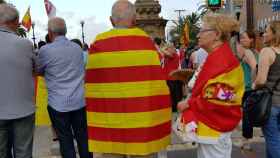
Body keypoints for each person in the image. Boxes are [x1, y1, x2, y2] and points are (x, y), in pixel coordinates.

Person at [86, 1, 171, 157]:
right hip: (141, 121)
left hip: (110, 122)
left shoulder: (99, 43)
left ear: (111, 20)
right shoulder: (147, 43)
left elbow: (92, 82)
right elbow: (157, 84)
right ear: (134, 20)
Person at [177, 13, 244, 158]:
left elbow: (221, 96)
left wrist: (189, 103)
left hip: (215, 126)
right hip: (213, 125)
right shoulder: (218, 57)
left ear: (217, 34)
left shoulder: (223, 61)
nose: (198, 35)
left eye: (202, 31)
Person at [37, 17, 91, 158]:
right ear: (65, 31)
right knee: (83, 139)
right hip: (79, 102)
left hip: (58, 105)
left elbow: (39, 70)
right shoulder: (77, 48)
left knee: (65, 141)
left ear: (50, 33)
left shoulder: (45, 51)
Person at [0, 4, 35, 158]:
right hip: (23, 110)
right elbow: (37, 68)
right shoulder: (25, 44)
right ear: (14, 22)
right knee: (23, 154)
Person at [254, 20, 280, 158]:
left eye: (267, 31)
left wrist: (253, 86)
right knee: (276, 140)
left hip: (271, 104)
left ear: (275, 34)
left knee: (273, 140)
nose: (264, 34)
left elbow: (261, 80)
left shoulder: (267, 52)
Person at [238, 30, 257, 141]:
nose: (241, 40)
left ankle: (246, 141)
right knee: (246, 115)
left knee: (246, 116)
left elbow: (255, 67)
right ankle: (246, 140)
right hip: (248, 88)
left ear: (251, 40)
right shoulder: (254, 52)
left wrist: (254, 82)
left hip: (248, 88)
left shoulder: (249, 52)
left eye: (244, 38)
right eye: (241, 38)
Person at [162, 44, 183, 112]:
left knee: (174, 95)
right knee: (172, 95)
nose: (167, 50)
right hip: (170, 78)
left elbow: (163, 52)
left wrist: (161, 48)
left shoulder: (174, 55)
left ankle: (175, 108)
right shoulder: (168, 56)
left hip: (172, 78)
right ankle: (173, 108)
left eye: (168, 49)